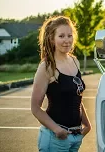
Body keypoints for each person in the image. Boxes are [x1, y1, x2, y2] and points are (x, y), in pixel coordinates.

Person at [31, 16, 91, 151]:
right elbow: (35, 107)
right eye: (61, 36)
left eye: (70, 36)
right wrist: (57, 130)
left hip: (76, 136)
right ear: (52, 39)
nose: (67, 40)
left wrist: (87, 124)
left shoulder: (75, 61)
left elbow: (75, 97)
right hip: (56, 138)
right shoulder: (47, 66)